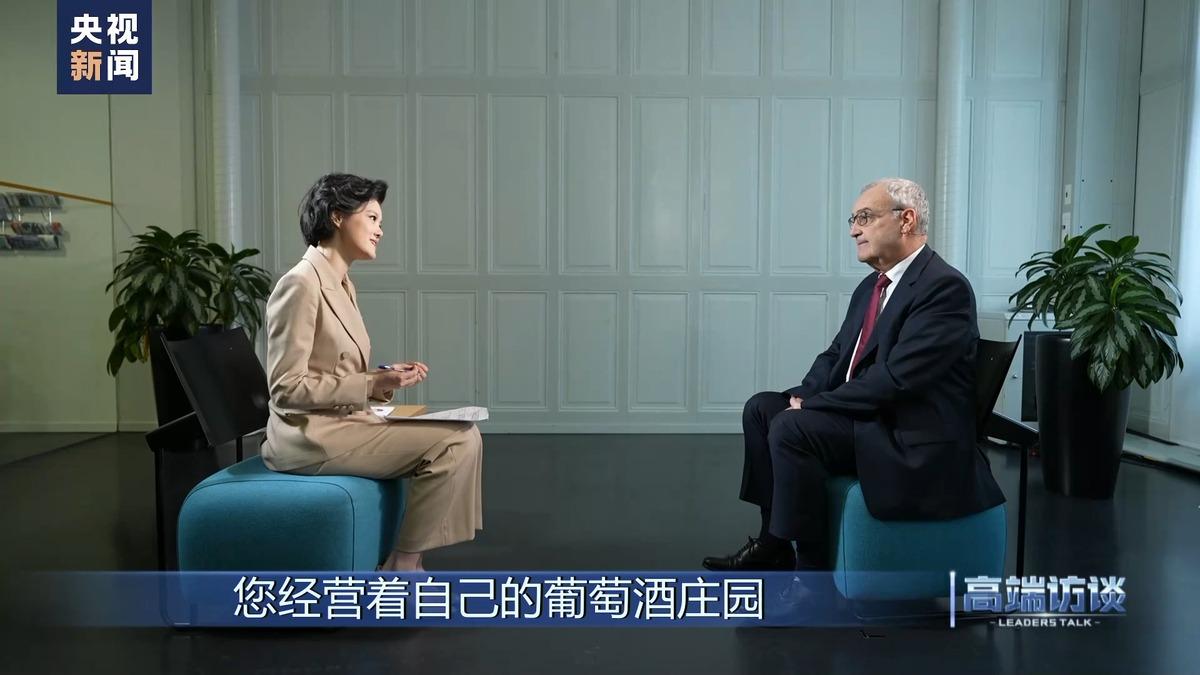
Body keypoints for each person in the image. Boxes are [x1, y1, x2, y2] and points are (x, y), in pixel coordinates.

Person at [702, 177, 1004, 573]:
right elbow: (836, 355)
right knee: (762, 409)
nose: (853, 230)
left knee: (792, 428)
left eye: (865, 217)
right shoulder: (871, 287)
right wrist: (804, 395)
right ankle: (773, 544)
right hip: (868, 419)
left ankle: (811, 575)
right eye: (853, 219)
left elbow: (897, 380)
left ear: (906, 220)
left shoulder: (943, 288)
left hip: (906, 435)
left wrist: (813, 406)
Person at [261, 172, 483, 572]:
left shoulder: (342, 283)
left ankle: (405, 563)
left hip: (342, 422)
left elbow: (334, 367)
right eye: (372, 218)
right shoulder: (301, 284)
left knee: (462, 432)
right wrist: (371, 383)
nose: (380, 230)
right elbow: (286, 388)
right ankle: (403, 567)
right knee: (457, 441)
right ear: (337, 216)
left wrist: (383, 381)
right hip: (310, 437)